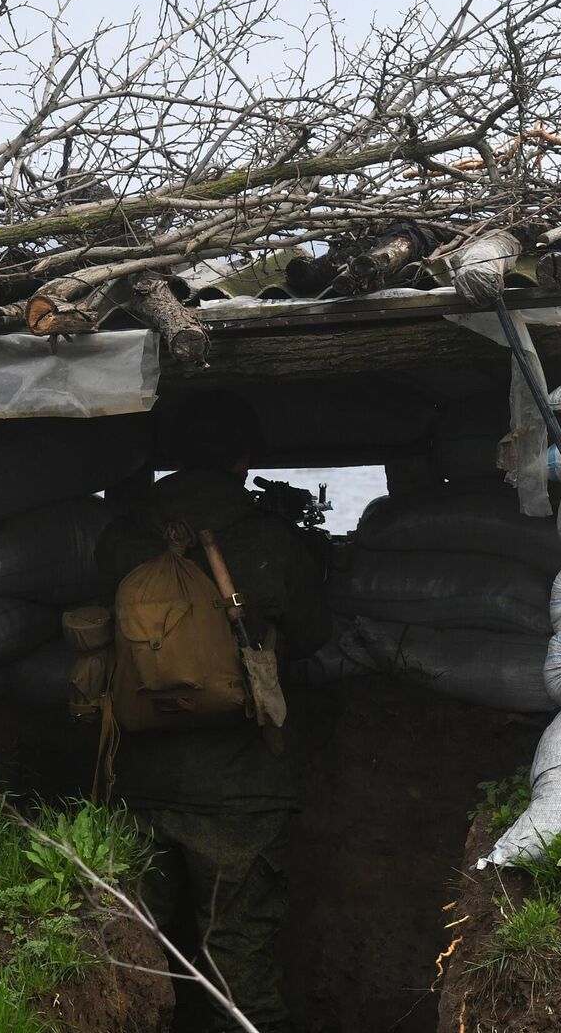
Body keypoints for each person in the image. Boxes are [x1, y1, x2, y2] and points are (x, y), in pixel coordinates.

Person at [94, 391, 329, 1033]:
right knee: (237, 969)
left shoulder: (123, 537)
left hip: (140, 782)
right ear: (242, 459)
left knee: (137, 964)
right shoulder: (268, 539)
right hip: (242, 791)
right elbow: (313, 632)